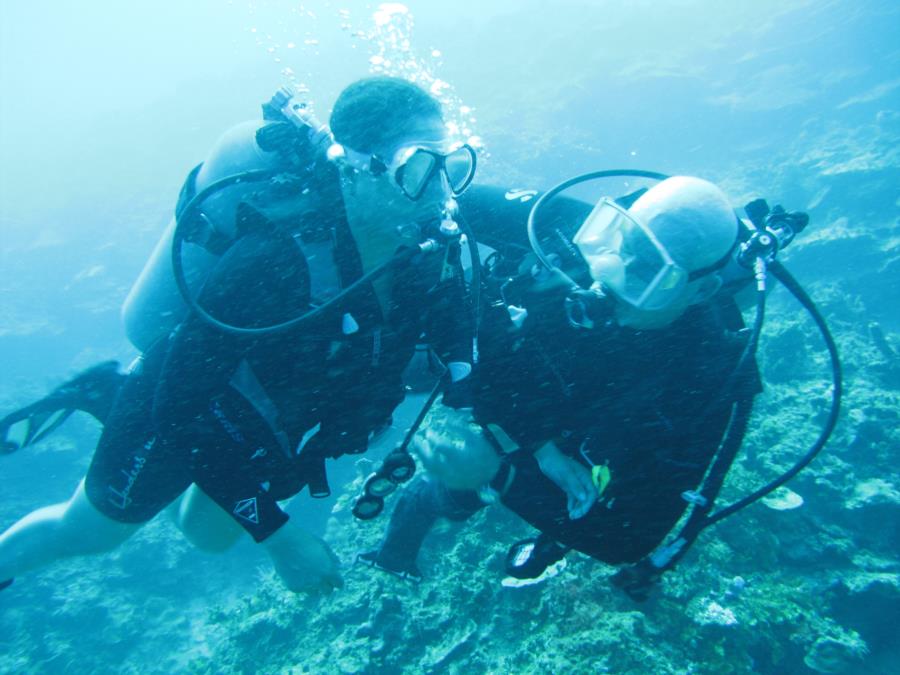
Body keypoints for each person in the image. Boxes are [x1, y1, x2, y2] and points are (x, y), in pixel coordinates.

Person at [0, 76, 479, 593]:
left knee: (206, 534)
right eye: (418, 169)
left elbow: (461, 320)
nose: (443, 192)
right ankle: (112, 394)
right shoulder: (276, 257)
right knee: (91, 532)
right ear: (358, 167)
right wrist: (279, 538)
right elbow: (178, 406)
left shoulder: (429, 243)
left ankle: (114, 400)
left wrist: (471, 391)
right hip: (190, 403)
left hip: (279, 411)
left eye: (451, 166)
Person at [359, 175, 801, 591]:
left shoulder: (710, 375)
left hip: (593, 436)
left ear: (700, 292)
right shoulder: (566, 231)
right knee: (445, 488)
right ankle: (397, 554)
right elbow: (440, 202)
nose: (610, 276)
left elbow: (629, 542)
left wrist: (501, 475)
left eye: (649, 274)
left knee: (476, 486)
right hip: (528, 405)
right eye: (622, 245)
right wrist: (539, 445)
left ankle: (466, 520)